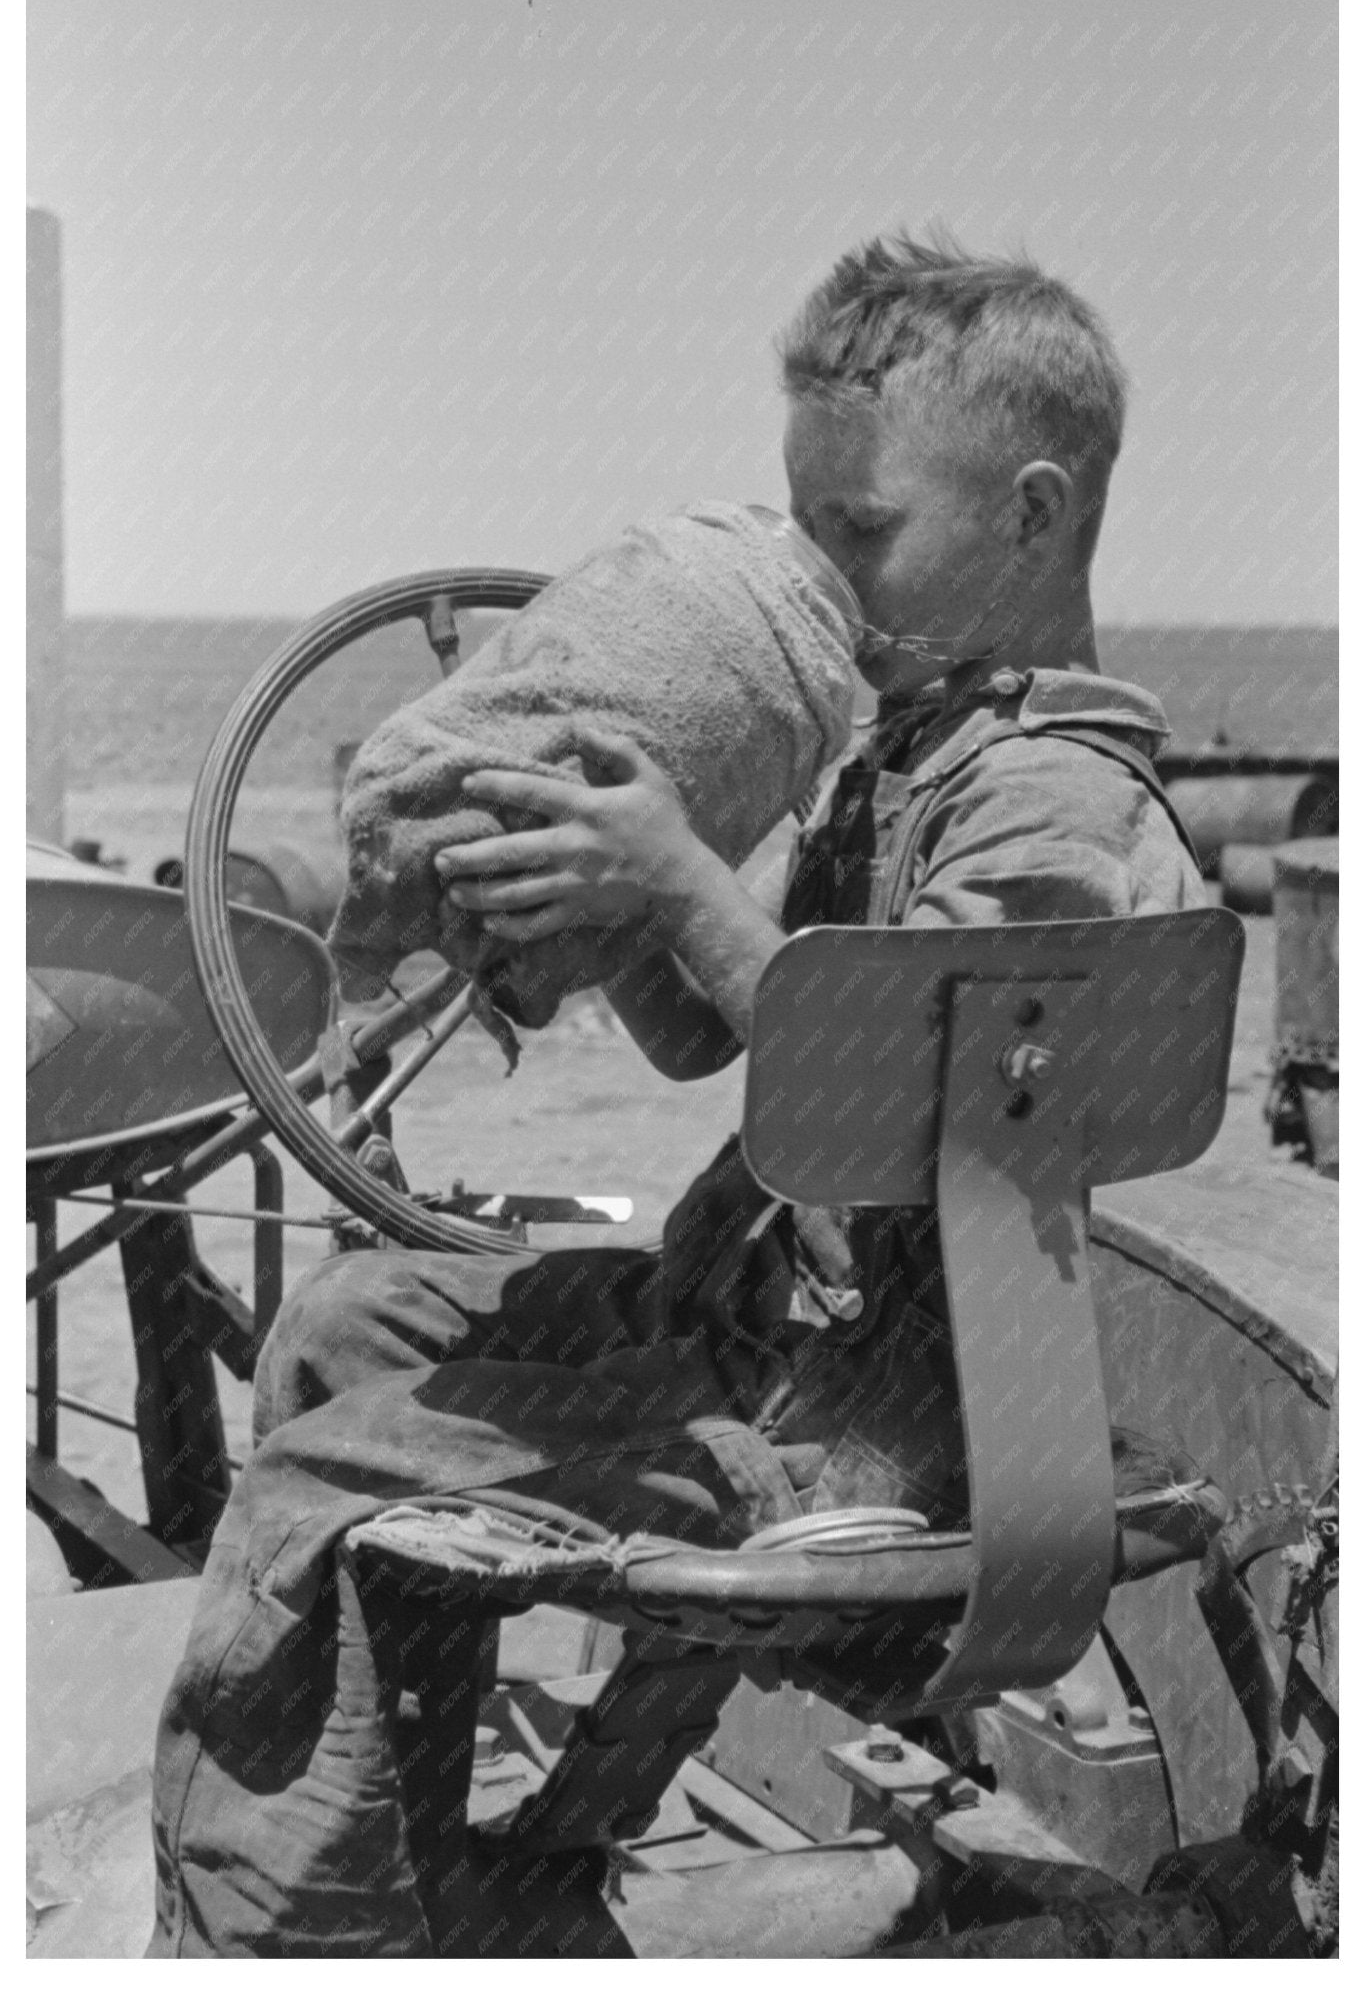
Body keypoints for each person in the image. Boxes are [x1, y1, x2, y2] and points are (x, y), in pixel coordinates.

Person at [148, 232, 1205, 1957]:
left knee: (319, 1485)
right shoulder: (910, 744)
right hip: (755, 1319)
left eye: (862, 534)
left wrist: (685, 881)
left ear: (1027, 513)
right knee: (351, 1330)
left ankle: (293, 1937)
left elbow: (896, 1117)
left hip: (876, 1425)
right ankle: (471, 1853)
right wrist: (623, 886)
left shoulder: (1048, 806)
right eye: (809, 531)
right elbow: (707, 1045)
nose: (826, 577)